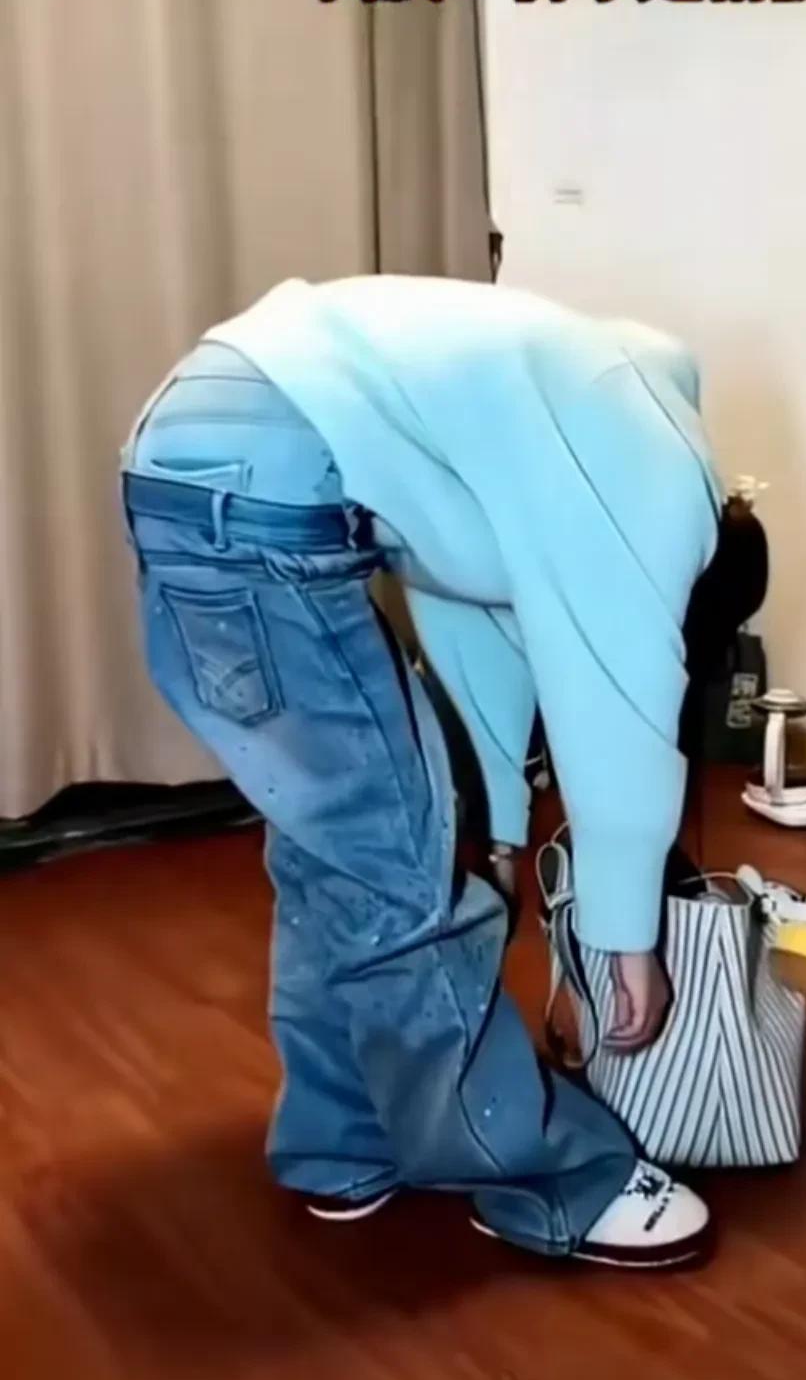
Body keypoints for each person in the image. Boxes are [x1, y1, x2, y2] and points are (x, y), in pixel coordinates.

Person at [120, 277, 767, 1270]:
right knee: (397, 869)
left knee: (338, 849)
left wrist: (501, 835)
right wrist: (625, 937)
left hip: (195, 459)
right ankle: (552, 1180)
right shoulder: (653, 484)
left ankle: (344, 1141)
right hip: (270, 482)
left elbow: (474, 623)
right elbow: (619, 701)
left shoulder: (565, 415)